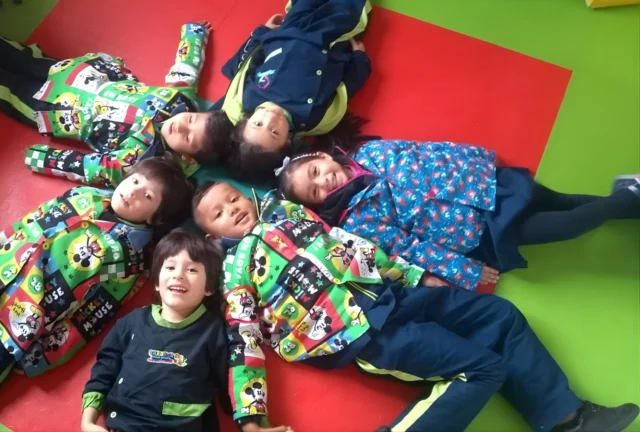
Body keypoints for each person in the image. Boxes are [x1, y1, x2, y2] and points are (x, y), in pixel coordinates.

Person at [191, 181, 639, 432]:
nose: (232, 209)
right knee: (481, 369)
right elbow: (242, 336)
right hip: (358, 333)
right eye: (218, 213)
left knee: (501, 316)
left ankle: (566, 418)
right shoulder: (235, 269)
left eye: (233, 198)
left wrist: (409, 274)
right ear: (213, 236)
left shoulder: (292, 214)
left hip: (395, 296)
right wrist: (251, 418)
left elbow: (352, 244)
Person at [0, 158, 194, 431]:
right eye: (135, 179)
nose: (133, 190)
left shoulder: (129, 258)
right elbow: (29, 222)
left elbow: (97, 310)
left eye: (147, 195)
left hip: (18, 326)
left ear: (156, 218)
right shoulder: (85, 195)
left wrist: (50, 352)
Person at [0, 6, 234, 185]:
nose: (182, 126)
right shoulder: (179, 100)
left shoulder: (142, 158)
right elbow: (186, 68)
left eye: (189, 138)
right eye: (192, 120)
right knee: (20, 56)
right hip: (76, 75)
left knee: (0, 85)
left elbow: (93, 168)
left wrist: (42, 158)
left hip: (50, 109)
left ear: (188, 156)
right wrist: (195, 32)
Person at [276, 139, 640, 290]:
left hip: (486, 185)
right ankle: (628, 194)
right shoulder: (357, 221)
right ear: (320, 205)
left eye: (316, 173)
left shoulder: (372, 150)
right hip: (480, 230)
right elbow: (410, 248)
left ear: (324, 158)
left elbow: (428, 148)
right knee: (570, 224)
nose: (325, 182)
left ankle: (631, 201)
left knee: (565, 202)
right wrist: (463, 270)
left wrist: (476, 155)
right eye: (316, 192)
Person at [81, 231, 232, 432]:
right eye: (170, 267)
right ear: (157, 282)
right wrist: (88, 422)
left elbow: (231, 384)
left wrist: (250, 422)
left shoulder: (214, 330)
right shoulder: (132, 323)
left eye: (192, 270)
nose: (178, 274)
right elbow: (103, 371)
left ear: (210, 287)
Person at [214, 0, 373, 183]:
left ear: (246, 120)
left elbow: (250, 61)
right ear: (287, 141)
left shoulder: (247, 97)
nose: (270, 118)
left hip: (289, 29)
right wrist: (359, 60)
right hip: (329, 37)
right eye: (275, 132)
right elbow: (346, 89)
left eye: (258, 123)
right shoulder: (311, 118)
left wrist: (262, 33)